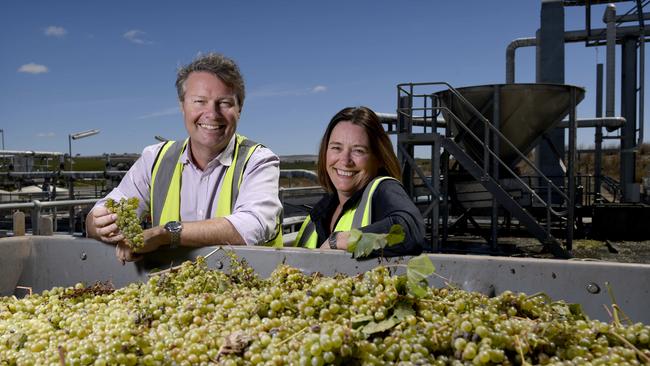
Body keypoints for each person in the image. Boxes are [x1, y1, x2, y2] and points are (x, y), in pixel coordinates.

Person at [86, 52, 283, 262]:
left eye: (224, 103)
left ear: (239, 109)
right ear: (182, 106)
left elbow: (253, 225)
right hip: (171, 286)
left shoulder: (258, 160)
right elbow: (109, 206)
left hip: (246, 287)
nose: (212, 113)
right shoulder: (155, 158)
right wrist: (98, 222)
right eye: (200, 101)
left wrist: (165, 234)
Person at [294, 106, 425, 257]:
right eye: (336, 148)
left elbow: (409, 230)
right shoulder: (319, 213)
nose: (345, 160)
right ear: (325, 152)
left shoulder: (383, 190)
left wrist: (337, 240)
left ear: (379, 158)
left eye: (358, 151)